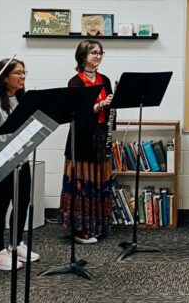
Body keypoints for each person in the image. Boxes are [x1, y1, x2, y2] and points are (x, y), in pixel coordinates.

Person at [0, 58, 40, 270]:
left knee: (22, 203)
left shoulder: (22, 100)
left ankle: (16, 244)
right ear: (5, 77)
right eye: (18, 73)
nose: (23, 76)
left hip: (20, 161)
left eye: (24, 72)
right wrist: (18, 135)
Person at [60, 39, 115, 243]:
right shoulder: (75, 82)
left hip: (101, 135)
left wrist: (111, 104)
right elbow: (75, 113)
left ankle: (98, 226)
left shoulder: (105, 79)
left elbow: (109, 111)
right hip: (82, 138)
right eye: (94, 53)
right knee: (82, 181)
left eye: (100, 53)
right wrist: (99, 106)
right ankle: (80, 230)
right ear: (83, 56)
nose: (98, 56)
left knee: (100, 180)